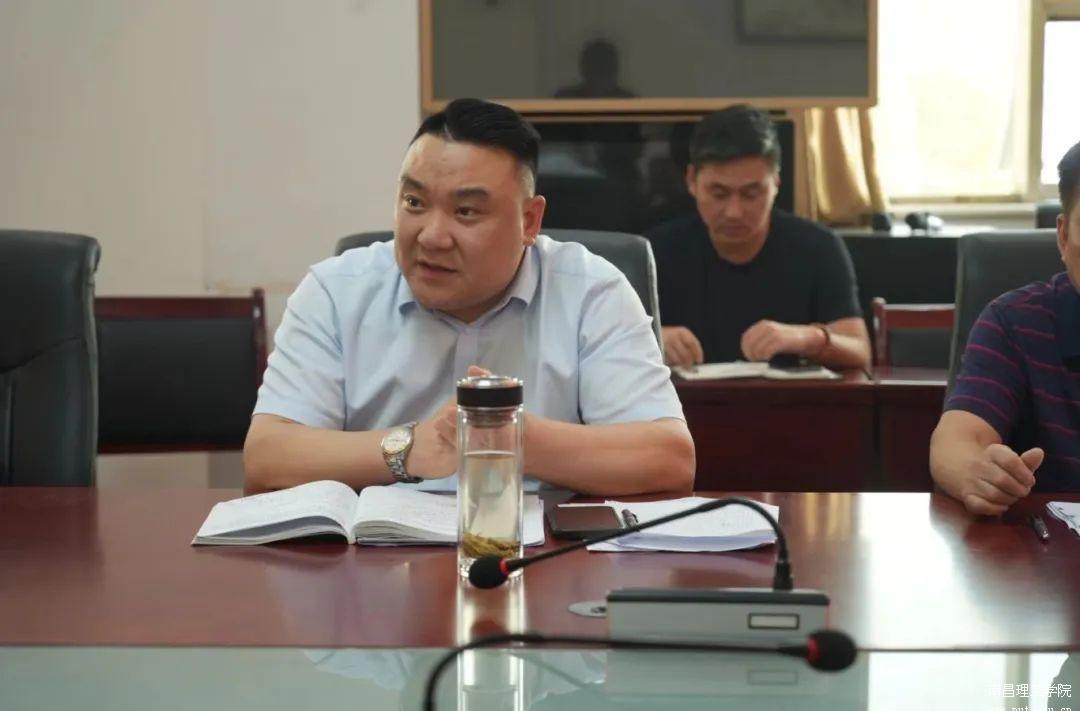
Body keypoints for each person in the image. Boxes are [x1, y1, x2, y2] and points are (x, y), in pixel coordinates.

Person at [244, 98, 695, 496]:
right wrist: (409, 447)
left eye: (466, 211)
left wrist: (505, 434)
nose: (432, 237)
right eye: (414, 203)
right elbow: (268, 455)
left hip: (541, 553)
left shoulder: (590, 291)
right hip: (373, 556)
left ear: (529, 221)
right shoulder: (336, 290)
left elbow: (668, 459)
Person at [647, 105, 871, 370]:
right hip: (684, 397)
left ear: (775, 182)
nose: (734, 212)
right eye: (719, 194)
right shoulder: (655, 252)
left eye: (751, 194)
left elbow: (860, 352)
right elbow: (609, 351)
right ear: (692, 180)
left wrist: (807, 338)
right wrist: (654, 339)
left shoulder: (819, 247)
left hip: (787, 396)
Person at [930, 140, 1080, 514]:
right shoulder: (1016, 322)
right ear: (1063, 236)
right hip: (1049, 545)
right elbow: (957, 440)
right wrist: (976, 472)